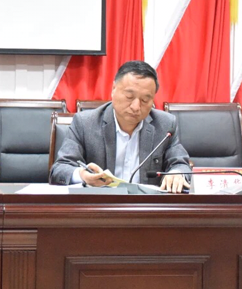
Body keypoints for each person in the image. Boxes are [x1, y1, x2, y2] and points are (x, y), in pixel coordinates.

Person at [50, 60, 191, 193]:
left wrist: (176, 173)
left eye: (145, 100)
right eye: (129, 97)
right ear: (113, 89)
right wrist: (82, 175)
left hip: (146, 207)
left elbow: (180, 164)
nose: (136, 107)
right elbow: (60, 169)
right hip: (100, 206)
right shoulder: (85, 123)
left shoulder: (165, 125)